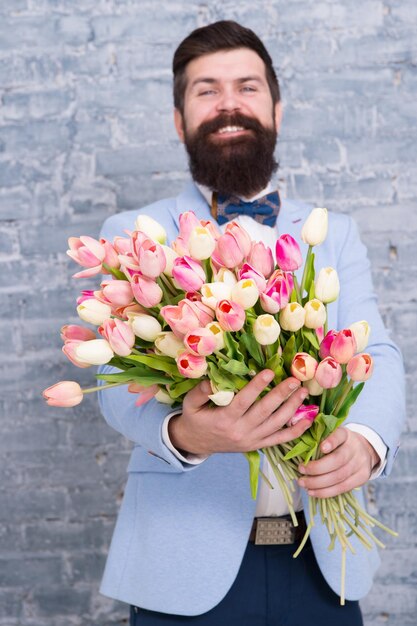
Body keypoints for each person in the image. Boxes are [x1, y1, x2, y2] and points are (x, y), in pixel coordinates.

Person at [97, 20, 405, 626]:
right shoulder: (136, 235)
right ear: (179, 121)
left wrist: (367, 445)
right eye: (206, 90)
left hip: (323, 560)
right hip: (181, 562)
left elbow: (380, 353)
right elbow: (114, 380)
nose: (229, 103)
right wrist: (187, 436)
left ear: (277, 109)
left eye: (248, 87)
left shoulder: (333, 232)